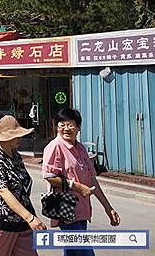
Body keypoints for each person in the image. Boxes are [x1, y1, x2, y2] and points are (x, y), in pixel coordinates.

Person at [42, 108, 121, 256]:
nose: (66, 128)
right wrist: (76, 186)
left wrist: (108, 208)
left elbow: (92, 181)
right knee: (85, 252)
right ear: (56, 127)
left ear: (78, 127)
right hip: (65, 210)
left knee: (72, 252)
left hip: (82, 210)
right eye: (61, 125)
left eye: (70, 125)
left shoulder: (81, 149)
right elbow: (49, 176)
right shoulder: (55, 146)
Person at [0, 115, 46, 256]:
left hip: (22, 223)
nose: (19, 138)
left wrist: (28, 217)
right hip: (2, 223)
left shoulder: (15, 156)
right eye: (16, 135)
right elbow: (4, 192)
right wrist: (30, 218)